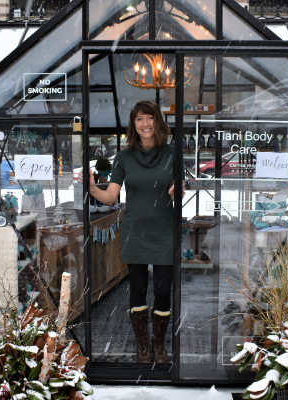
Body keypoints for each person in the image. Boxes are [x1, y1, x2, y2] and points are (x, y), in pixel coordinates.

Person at [79, 100, 185, 363]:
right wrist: (92, 188)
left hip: (164, 231)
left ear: (157, 121)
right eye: (139, 119)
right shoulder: (124, 157)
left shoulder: (173, 154)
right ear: (133, 124)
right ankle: (142, 345)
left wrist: (178, 191)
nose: (145, 124)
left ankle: (158, 344)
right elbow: (110, 196)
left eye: (150, 118)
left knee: (163, 290)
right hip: (135, 232)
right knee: (137, 288)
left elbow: (178, 190)